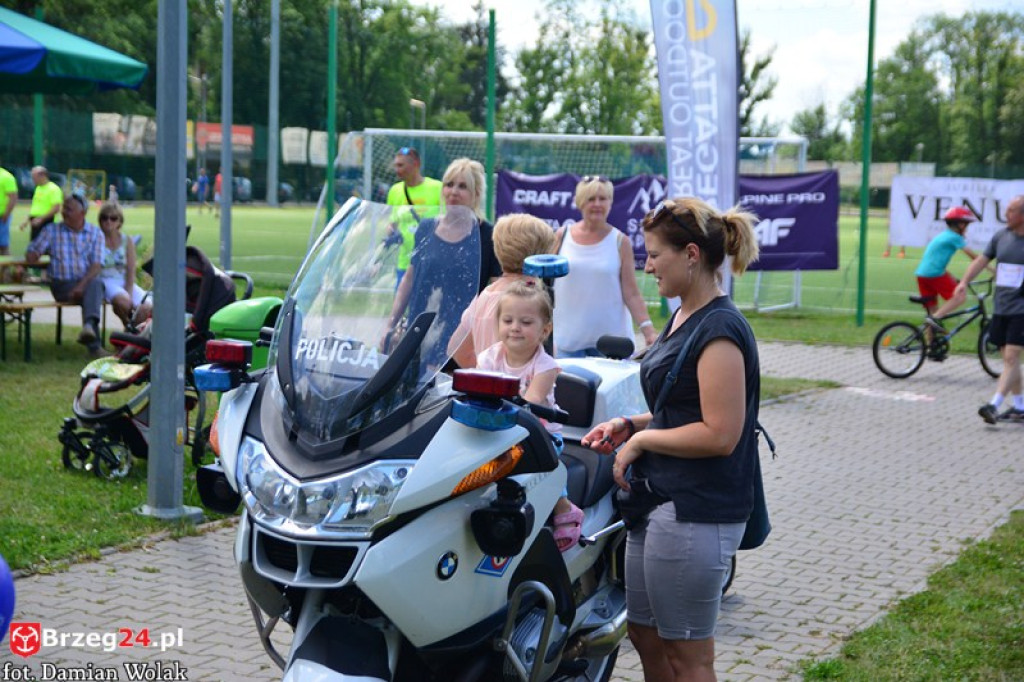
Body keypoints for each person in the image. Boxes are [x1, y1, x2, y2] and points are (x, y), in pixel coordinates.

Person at [580, 197, 762, 682]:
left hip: (696, 511)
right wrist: (633, 426)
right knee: (646, 636)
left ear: (691, 256)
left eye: (656, 254)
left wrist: (643, 443)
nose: (647, 265)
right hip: (660, 503)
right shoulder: (685, 314)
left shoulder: (720, 329)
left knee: (689, 657)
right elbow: (683, 407)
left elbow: (720, 433)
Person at [476, 280, 583, 551]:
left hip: (540, 434)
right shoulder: (489, 358)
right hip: (498, 430)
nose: (515, 327)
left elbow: (531, 403)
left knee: (547, 464)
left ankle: (564, 506)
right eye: (508, 320)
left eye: (525, 322)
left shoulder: (545, 366)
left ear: (544, 330)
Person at [384, 158, 502, 369]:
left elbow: (495, 295)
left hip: (461, 344)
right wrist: (391, 324)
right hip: (419, 335)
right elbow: (409, 280)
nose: (454, 191)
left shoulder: (488, 235)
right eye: (449, 184)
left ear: (476, 194)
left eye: (463, 186)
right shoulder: (427, 227)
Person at [553, 175, 657, 357]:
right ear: (580, 202)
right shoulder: (562, 236)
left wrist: (648, 331)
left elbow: (631, 292)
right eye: (591, 199)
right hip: (567, 343)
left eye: (603, 199)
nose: (597, 204)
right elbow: (546, 284)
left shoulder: (620, 241)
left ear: (610, 202)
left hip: (611, 344)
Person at [449, 213, 555, 369]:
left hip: (487, 390)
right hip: (523, 391)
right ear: (540, 254)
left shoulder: (485, 295)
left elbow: (456, 349)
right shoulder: (529, 299)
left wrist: (485, 376)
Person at [955, 194, 1024, 424]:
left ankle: (994, 405)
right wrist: (964, 282)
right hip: (1002, 306)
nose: (1006, 214)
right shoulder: (1001, 237)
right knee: (1008, 359)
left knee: (1012, 357)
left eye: (1011, 210)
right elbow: (981, 261)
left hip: (1021, 309)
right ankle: (1020, 407)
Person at [25, 194, 109, 358]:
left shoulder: (95, 233)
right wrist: (33, 254)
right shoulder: (52, 231)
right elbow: (32, 253)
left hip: (84, 284)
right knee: (94, 289)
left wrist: (80, 286)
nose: (64, 212)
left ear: (82, 213)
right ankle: (93, 343)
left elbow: (96, 265)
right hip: (61, 285)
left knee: (96, 283)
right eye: (64, 208)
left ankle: (89, 328)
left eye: (69, 209)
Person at [915, 206, 989, 329]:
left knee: (931, 311)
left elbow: (935, 261)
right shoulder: (955, 237)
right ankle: (936, 318)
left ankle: (929, 345)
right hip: (935, 274)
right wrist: (993, 270)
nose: (967, 228)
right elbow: (976, 258)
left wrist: (952, 277)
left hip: (922, 274)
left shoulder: (944, 235)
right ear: (960, 224)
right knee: (960, 297)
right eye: (966, 224)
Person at [385, 147, 443, 289]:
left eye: (401, 165)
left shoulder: (437, 188)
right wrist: (391, 235)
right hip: (405, 262)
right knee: (402, 307)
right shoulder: (395, 191)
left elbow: (447, 221)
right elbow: (392, 223)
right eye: (396, 165)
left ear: (416, 164)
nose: (397, 170)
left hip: (431, 261)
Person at [97, 202, 150, 328]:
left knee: (146, 306)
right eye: (104, 217)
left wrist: (129, 291)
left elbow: (131, 270)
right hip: (105, 280)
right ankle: (130, 330)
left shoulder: (127, 240)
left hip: (124, 279)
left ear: (120, 222)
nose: (108, 221)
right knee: (123, 302)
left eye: (113, 218)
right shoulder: (96, 239)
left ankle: (132, 336)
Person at [20, 166, 63, 241]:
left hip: (47, 222)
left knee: (46, 247)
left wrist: (41, 219)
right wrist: (27, 221)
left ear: (42, 176)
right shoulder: (38, 188)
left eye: (34, 177)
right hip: (35, 222)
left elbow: (56, 208)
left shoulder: (53, 189)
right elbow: (36, 207)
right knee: (34, 247)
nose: (33, 180)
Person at [0, 163, 17, 256]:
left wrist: (6, 213)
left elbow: (13, 197)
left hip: (1, 216)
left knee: (3, 245)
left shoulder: (6, 177)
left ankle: (6, 269)